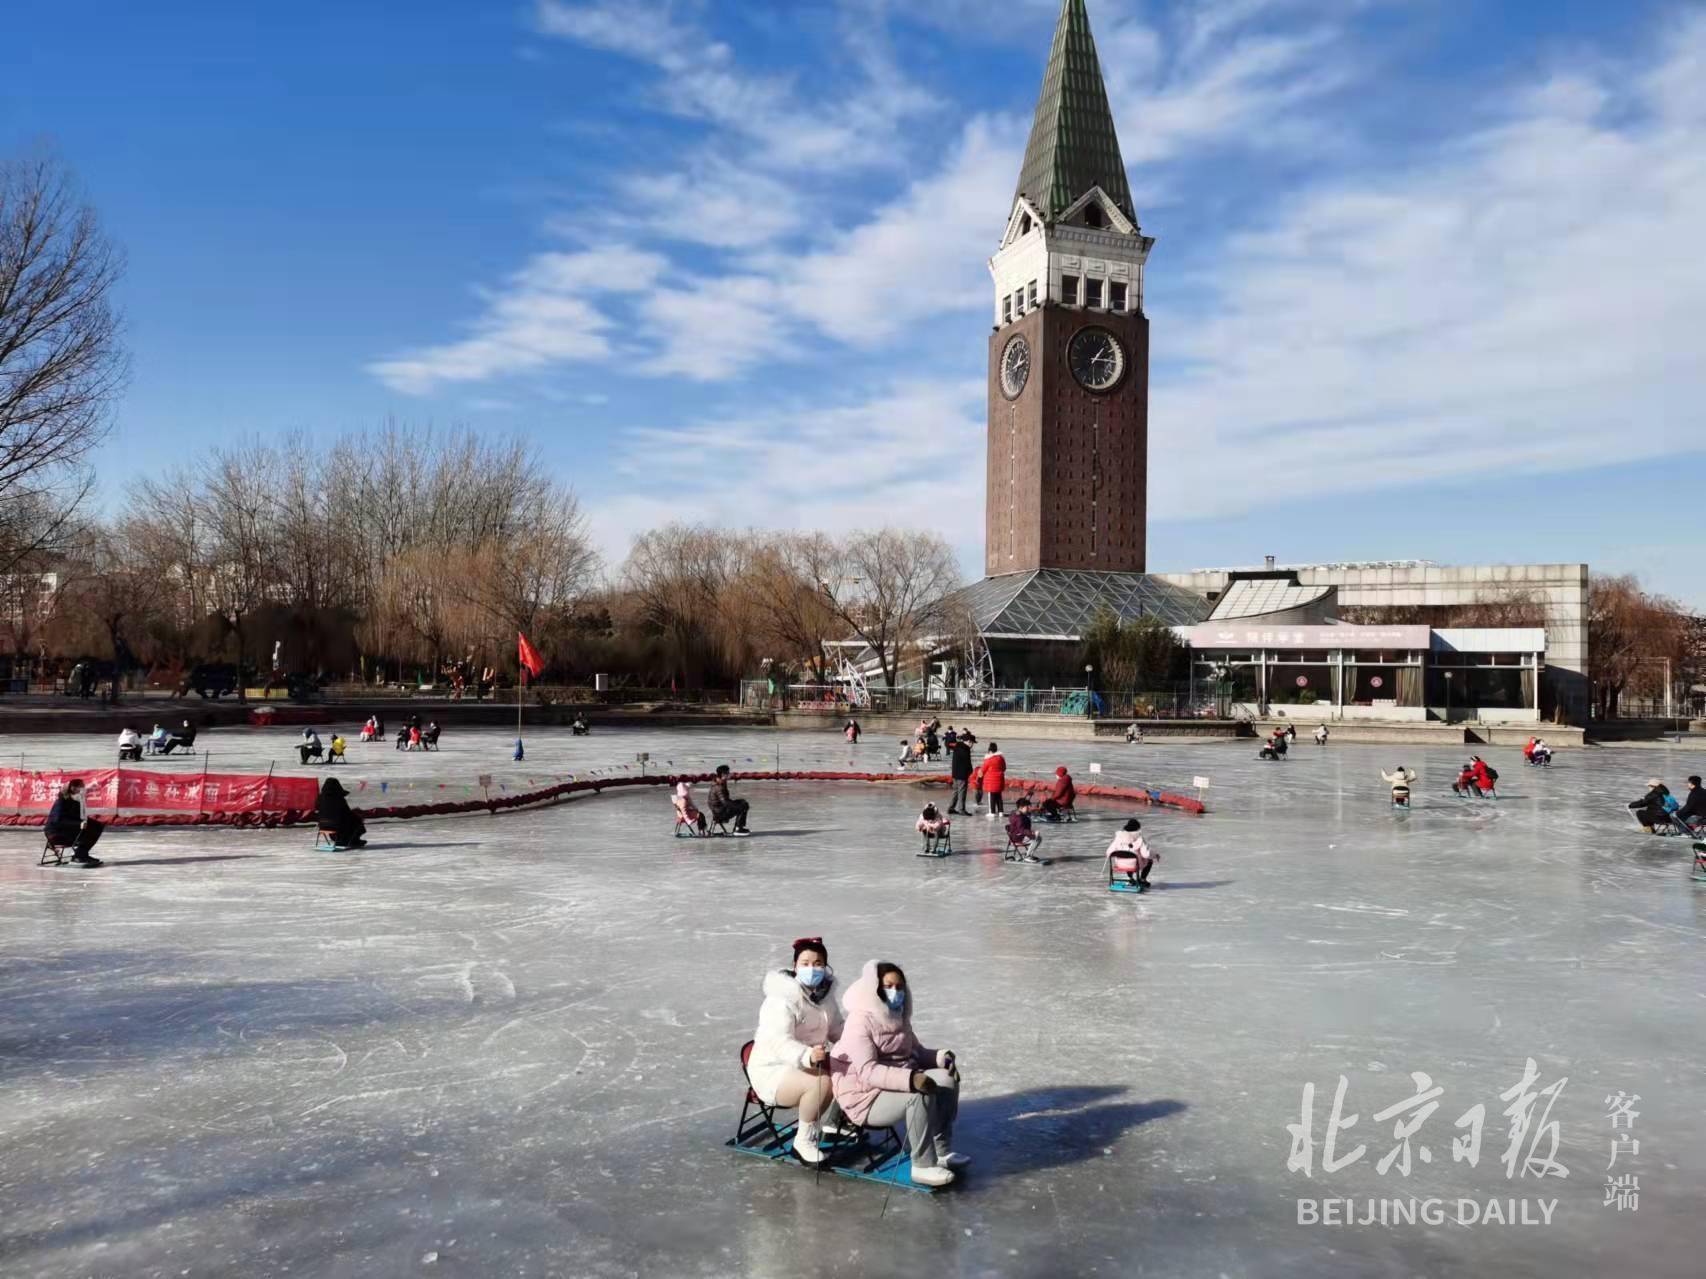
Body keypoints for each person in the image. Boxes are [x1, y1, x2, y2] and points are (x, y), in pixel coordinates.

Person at [829, 960, 965, 1188]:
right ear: (875, 989)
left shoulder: (898, 1016)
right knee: (918, 1094)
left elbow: (917, 1052)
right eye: (888, 986)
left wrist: (941, 1058)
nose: (895, 992)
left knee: (946, 1079)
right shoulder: (860, 1021)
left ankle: (942, 1151)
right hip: (864, 1097)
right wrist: (911, 1080)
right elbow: (867, 1071)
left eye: (899, 987)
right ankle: (922, 1165)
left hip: (892, 1085)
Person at [750, 937, 845, 1165]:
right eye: (805, 963)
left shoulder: (826, 997)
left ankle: (840, 1122)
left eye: (818, 963)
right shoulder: (780, 1000)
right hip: (773, 1070)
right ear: (795, 967)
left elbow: (837, 1029)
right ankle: (804, 1142)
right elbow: (779, 1041)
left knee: (851, 1067)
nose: (812, 968)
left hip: (811, 1064)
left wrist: (860, 1040)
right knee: (823, 1083)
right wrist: (806, 1056)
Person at [46, 779, 104, 867]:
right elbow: (57, 821)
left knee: (97, 827)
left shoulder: (75, 803)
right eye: (78, 788)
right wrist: (78, 824)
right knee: (89, 831)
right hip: (56, 833)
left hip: (68, 830)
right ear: (71, 789)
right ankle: (79, 855)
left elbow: (78, 818)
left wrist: (89, 822)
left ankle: (82, 854)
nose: (80, 791)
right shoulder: (61, 802)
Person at [1104, 818, 1157, 888]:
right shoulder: (1139, 838)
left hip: (1120, 864)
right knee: (1149, 860)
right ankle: (1142, 879)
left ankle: (1131, 878)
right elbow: (1146, 854)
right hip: (1135, 865)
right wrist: (1155, 855)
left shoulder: (1119, 838)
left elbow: (1108, 852)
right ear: (1137, 828)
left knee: (1127, 857)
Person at [316, 777, 366, 849]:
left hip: (322, 825)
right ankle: (353, 840)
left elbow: (317, 808)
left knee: (349, 821)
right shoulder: (338, 798)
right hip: (337, 825)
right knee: (356, 821)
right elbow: (346, 811)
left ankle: (346, 840)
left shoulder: (320, 797)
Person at [710, 764, 750, 834]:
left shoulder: (720, 781)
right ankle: (738, 828)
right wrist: (737, 806)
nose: (729, 774)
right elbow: (725, 802)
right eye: (727, 773)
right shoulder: (719, 787)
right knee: (743, 806)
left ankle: (739, 827)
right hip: (720, 812)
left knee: (742, 802)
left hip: (719, 809)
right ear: (723, 774)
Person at [1005, 797, 1043, 862]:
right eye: (1027, 807)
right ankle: (1027, 856)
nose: (1028, 809)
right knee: (1036, 838)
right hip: (1018, 837)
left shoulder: (1021, 814)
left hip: (1019, 835)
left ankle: (1028, 854)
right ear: (1021, 807)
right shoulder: (1018, 817)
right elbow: (1021, 830)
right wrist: (1032, 833)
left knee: (1038, 838)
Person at [947, 733, 974, 814]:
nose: (972, 745)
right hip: (962, 774)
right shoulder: (965, 749)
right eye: (972, 742)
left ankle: (951, 808)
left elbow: (947, 744)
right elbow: (967, 763)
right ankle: (961, 809)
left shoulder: (957, 746)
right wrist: (970, 771)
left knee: (955, 791)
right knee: (962, 792)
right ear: (968, 741)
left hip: (955, 773)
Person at [982, 742, 1007, 817]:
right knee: (999, 796)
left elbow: (983, 769)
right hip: (999, 779)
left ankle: (992, 812)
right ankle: (1001, 811)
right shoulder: (1001, 758)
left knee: (991, 796)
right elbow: (1004, 768)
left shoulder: (989, 759)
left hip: (990, 781)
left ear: (990, 750)